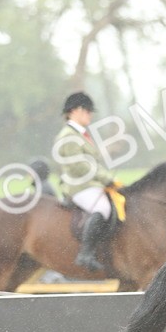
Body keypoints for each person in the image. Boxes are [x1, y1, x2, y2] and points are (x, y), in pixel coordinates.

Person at [53, 91, 115, 273]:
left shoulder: (80, 135)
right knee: (103, 208)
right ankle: (85, 253)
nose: (90, 114)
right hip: (78, 186)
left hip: (89, 184)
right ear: (74, 111)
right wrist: (107, 179)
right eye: (87, 110)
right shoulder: (68, 136)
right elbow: (80, 166)